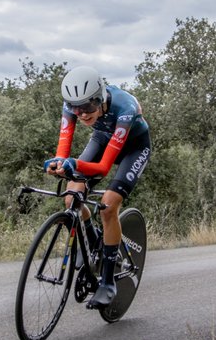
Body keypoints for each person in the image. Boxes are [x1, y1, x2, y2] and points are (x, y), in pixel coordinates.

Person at [43, 65, 150, 309]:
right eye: (74, 107)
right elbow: (63, 151)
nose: (81, 114)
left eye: (88, 107)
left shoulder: (125, 108)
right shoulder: (72, 107)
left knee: (108, 206)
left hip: (133, 148)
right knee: (72, 197)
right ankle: (92, 243)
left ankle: (108, 281)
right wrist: (59, 164)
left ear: (100, 98)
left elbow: (102, 168)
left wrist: (74, 164)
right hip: (102, 140)